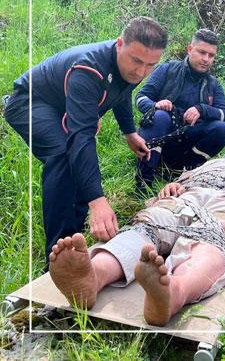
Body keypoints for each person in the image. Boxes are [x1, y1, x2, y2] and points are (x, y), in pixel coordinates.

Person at [46, 152, 225, 326]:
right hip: (189, 196)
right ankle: (94, 275)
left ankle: (176, 291)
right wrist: (171, 187)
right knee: (151, 223)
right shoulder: (207, 165)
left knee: (217, 234)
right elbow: (174, 185)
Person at [3, 17, 166, 266]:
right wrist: (97, 200)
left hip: (61, 105)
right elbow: (81, 138)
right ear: (119, 44)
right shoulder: (88, 70)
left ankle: (75, 236)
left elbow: (124, 92)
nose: (141, 71)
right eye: (136, 61)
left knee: (77, 166)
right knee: (63, 156)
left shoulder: (130, 66)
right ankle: (58, 258)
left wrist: (130, 132)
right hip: (29, 102)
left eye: (150, 65)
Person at [134, 29, 225, 190]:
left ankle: (183, 174)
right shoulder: (167, 69)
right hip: (160, 137)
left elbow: (224, 115)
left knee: (222, 129)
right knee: (160, 116)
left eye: (211, 55)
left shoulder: (214, 84)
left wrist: (202, 109)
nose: (206, 59)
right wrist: (155, 105)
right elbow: (140, 98)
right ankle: (144, 182)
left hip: (187, 144)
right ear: (190, 49)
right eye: (202, 52)